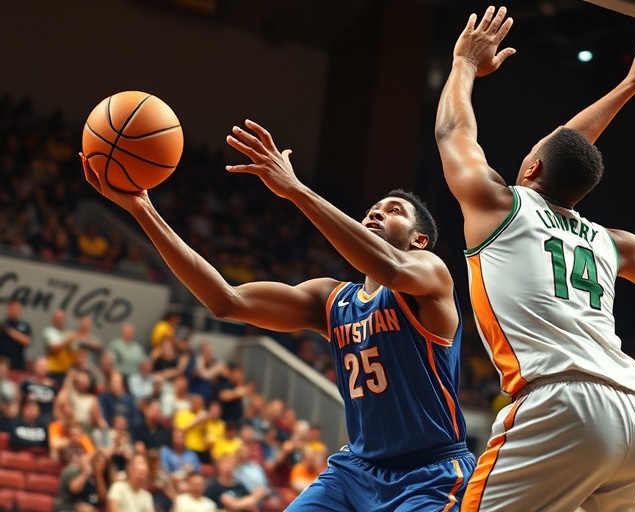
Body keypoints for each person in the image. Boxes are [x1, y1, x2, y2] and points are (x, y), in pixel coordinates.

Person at [434, 7, 635, 511]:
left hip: (560, 402)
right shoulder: (610, 241)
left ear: (532, 166)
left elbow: (453, 133)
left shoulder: (498, 206)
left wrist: (462, 63)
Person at [80, 116, 475, 511]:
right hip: (355, 471)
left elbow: (390, 267)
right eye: (372, 209)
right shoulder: (331, 300)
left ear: (418, 240)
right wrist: (141, 208)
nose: (376, 213)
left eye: (393, 211)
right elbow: (225, 300)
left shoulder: (430, 274)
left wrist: (297, 190)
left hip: (428, 473)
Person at [44, 308, 78, 383]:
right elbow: (53, 348)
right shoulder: (49, 331)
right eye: (57, 318)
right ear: (53, 320)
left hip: (67, 371)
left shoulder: (68, 334)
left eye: (61, 318)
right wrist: (67, 340)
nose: (59, 320)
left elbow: (74, 353)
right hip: (53, 370)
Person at [0, 299, 31, 371]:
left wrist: (9, 331)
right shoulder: (2, 324)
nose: (14, 310)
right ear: (8, 308)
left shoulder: (24, 325)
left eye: (17, 308)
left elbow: (27, 341)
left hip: (18, 365)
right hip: (2, 365)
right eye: (12, 308)